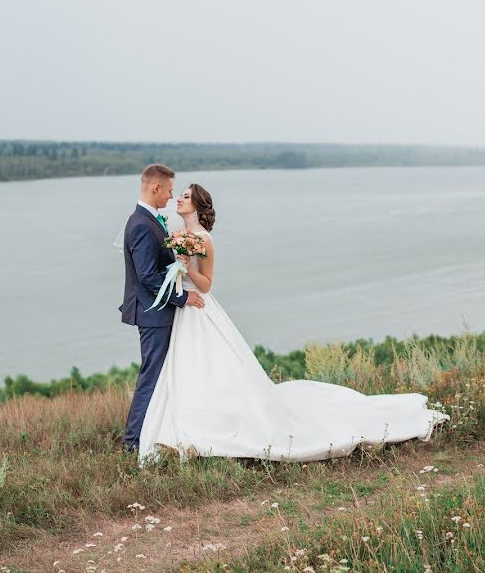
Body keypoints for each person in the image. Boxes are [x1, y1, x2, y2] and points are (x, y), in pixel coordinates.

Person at [136, 181, 449, 466]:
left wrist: (184, 267)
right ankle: (188, 424)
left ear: (199, 205)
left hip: (199, 306)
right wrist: (176, 262)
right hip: (184, 311)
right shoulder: (179, 234)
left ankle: (210, 429)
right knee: (190, 369)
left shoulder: (203, 239)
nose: (179, 199)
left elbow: (205, 285)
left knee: (211, 368)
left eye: (186, 196)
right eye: (179, 195)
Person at [119, 163, 205, 453]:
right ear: (156, 187)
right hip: (153, 314)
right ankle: (132, 442)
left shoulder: (148, 219)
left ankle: (155, 432)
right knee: (151, 376)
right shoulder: (142, 224)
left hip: (156, 312)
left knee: (158, 375)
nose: (171, 197)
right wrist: (182, 299)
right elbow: (147, 276)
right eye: (169, 190)